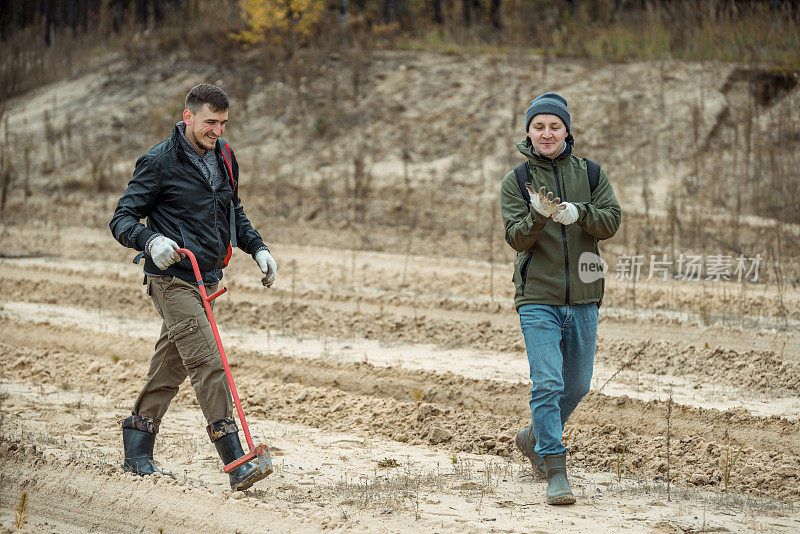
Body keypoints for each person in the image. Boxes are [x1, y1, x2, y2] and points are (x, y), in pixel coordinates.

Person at [110, 83, 277, 491]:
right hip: (171, 279)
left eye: (223, 123)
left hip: (208, 280)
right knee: (207, 361)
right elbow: (122, 218)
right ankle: (237, 460)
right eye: (209, 122)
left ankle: (137, 447)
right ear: (188, 117)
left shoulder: (224, 156)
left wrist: (257, 247)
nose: (217, 130)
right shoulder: (158, 162)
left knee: (171, 364)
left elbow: (233, 209)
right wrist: (150, 240)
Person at [500, 92, 621, 505]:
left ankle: (533, 436)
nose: (547, 133)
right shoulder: (517, 181)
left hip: (585, 295)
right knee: (548, 382)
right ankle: (555, 469)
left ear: (566, 130)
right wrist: (539, 214)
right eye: (539, 126)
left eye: (554, 126)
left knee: (578, 385)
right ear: (528, 133)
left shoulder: (591, 174)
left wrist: (578, 212)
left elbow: (611, 222)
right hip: (537, 297)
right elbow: (516, 237)